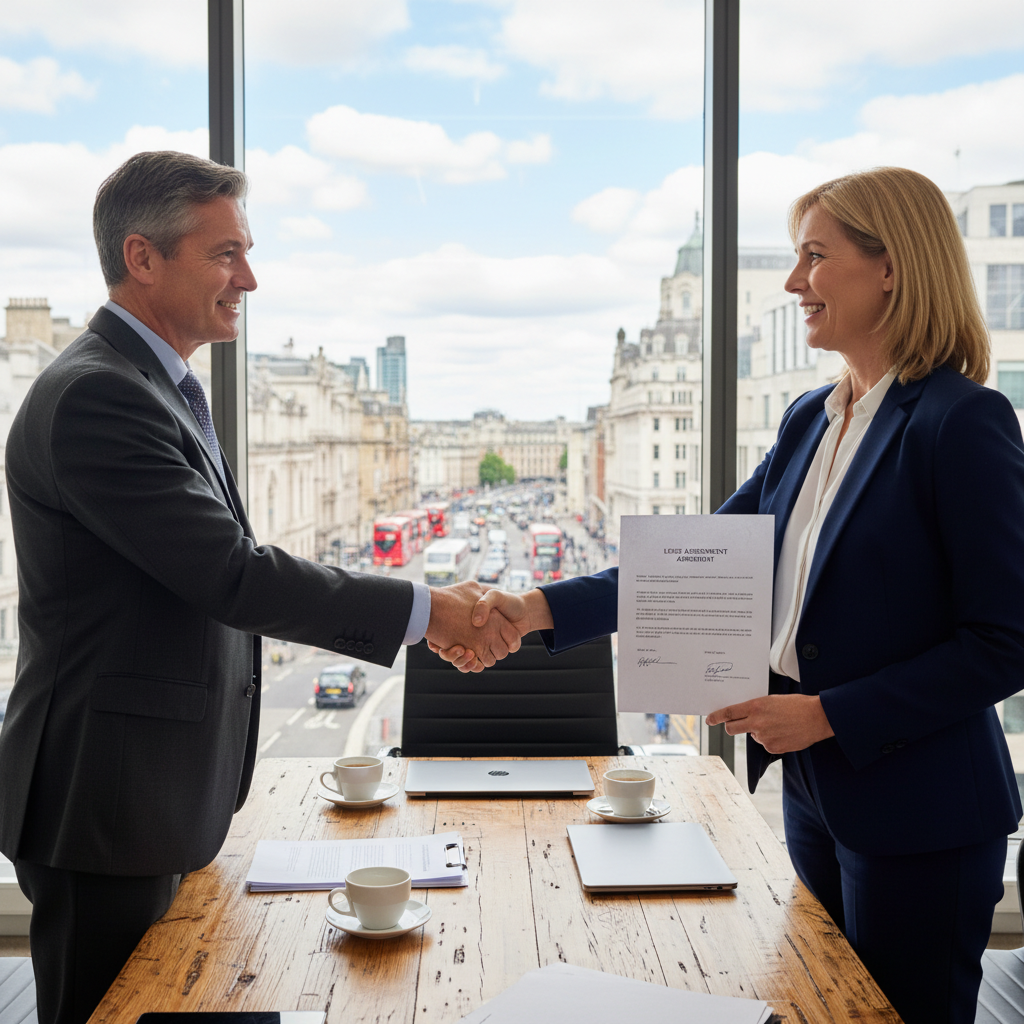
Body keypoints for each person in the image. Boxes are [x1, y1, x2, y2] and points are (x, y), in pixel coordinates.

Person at [435, 166, 1024, 1024]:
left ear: (889, 266)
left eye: (814, 258)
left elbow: (1005, 640)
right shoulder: (812, 419)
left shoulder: (960, 420)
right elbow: (696, 560)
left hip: (921, 809)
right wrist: (536, 610)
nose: (793, 285)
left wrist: (830, 713)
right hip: (816, 789)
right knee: (826, 1004)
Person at [0, 150, 516, 1024]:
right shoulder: (99, 396)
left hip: (145, 791)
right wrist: (429, 611)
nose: (250, 277)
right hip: (106, 797)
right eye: (225, 254)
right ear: (142, 257)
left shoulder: (146, 385)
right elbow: (231, 575)